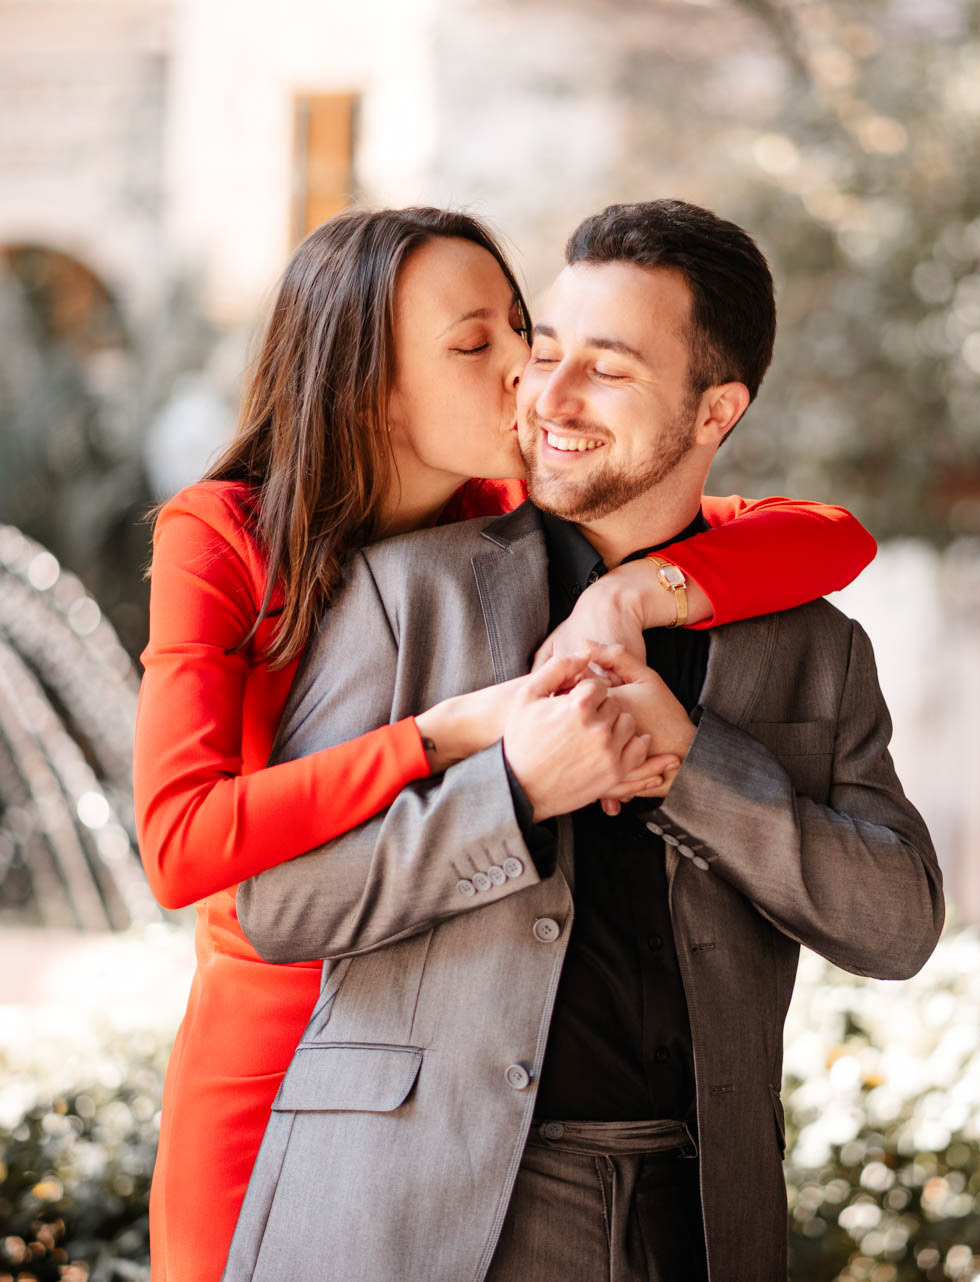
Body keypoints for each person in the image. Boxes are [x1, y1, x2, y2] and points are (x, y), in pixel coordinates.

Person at [133, 205, 879, 1282]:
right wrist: (445, 736)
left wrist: (635, 593)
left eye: (519, 335)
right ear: (369, 385)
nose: (527, 376)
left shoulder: (520, 513)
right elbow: (180, 842)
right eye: (473, 346)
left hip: (453, 1051)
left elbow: (830, 533)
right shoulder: (225, 537)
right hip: (272, 1030)